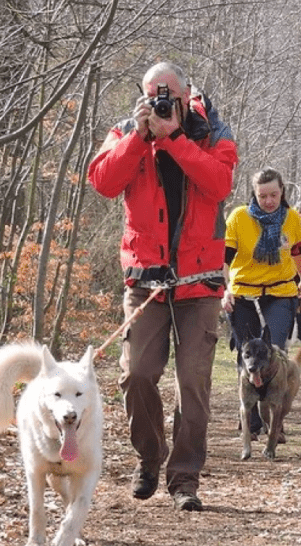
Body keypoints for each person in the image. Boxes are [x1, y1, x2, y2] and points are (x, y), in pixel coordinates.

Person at [88, 61, 238, 512]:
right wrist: (140, 136)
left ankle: (185, 478)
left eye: (169, 94)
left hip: (200, 281)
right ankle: (149, 458)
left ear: (185, 91)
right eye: (154, 94)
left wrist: (174, 138)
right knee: (136, 374)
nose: (162, 102)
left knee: (193, 380)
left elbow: (219, 184)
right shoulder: (126, 131)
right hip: (145, 278)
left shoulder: (212, 131)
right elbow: (103, 182)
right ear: (143, 93)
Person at [222, 168, 301, 438]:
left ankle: (275, 421)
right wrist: (225, 291)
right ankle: (250, 418)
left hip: (281, 292)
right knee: (246, 353)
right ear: (254, 194)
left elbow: (300, 256)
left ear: (282, 191)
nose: (269, 201)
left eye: (273, 195)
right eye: (262, 196)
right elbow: (224, 259)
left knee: (275, 353)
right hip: (244, 292)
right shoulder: (238, 217)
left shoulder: (293, 219)